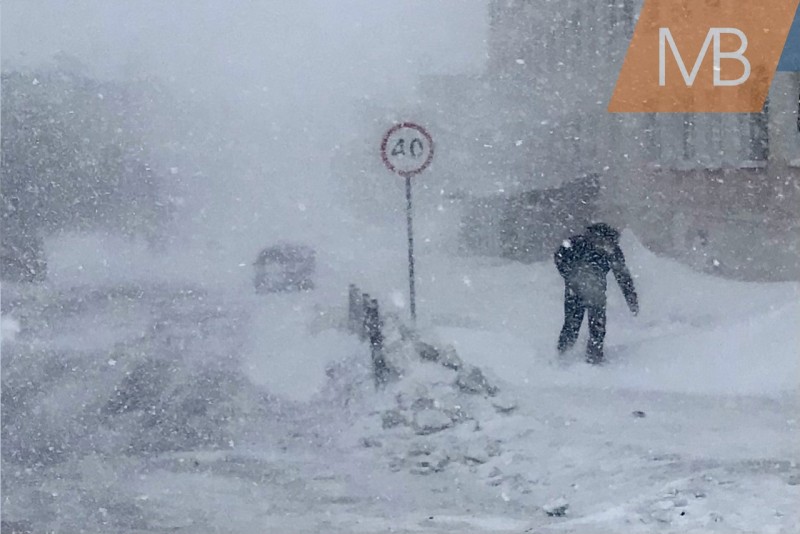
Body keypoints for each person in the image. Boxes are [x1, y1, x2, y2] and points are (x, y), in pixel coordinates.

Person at [554, 223, 638, 364]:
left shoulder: (612, 251)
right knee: (572, 325)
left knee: (597, 327)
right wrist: (570, 276)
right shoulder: (577, 244)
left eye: (610, 243)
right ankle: (563, 356)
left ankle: (594, 358)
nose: (606, 246)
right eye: (604, 242)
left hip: (596, 293)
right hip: (575, 291)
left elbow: (622, 276)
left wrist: (631, 298)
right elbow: (559, 257)